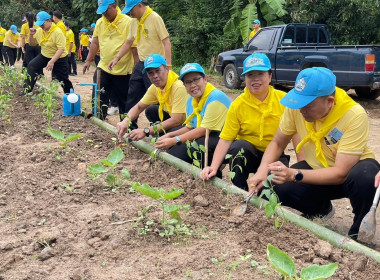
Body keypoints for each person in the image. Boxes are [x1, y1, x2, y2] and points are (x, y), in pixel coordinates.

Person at [248, 67, 380, 240]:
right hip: (315, 168)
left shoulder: (353, 115)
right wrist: (261, 171)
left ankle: (359, 233)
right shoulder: (296, 107)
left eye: (308, 105)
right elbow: (278, 142)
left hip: (349, 173)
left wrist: (293, 174)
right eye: (299, 102)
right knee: (275, 185)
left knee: (366, 177)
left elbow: (340, 173)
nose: (302, 110)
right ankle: (321, 209)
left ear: (330, 102)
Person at [201, 53, 293, 191]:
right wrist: (213, 167)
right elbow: (226, 139)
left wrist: (298, 170)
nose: (255, 79)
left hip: (275, 155)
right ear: (244, 78)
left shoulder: (285, 101)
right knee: (237, 147)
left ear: (270, 76)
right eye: (250, 75)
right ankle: (239, 191)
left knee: (273, 191)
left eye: (260, 74)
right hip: (249, 154)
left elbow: (298, 139)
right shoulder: (238, 104)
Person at [109, 0, 172, 130]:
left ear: (139, 5)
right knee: (132, 93)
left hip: (156, 65)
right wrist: (117, 58)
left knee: (158, 98)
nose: (130, 13)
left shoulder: (154, 18)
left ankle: (161, 129)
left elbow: (166, 41)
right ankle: (129, 127)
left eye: (131, 9)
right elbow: (128, 42)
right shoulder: (134, 21)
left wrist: (168, 66)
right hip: (142, 63)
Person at [155, 63, 231, 169]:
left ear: (205, 79)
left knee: (199, 144)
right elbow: (190, 127)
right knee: (173, 154)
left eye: (196, 80)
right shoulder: (191, 100)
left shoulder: (215, 97)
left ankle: (213, 175)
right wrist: (169, 135)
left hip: (227, 140)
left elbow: (203, 130)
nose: (193, 85)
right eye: (188, 82)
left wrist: (174, 140)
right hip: (208, 136)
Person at [116, 54, 188, 142]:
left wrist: (146, 131)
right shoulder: (155, 87)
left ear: (167, 69)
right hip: (174, 118)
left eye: (158, 71)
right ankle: (162, 135)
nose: (155, 76)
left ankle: (167, 139)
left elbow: (176, 120)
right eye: (151, 73)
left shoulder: (178, 87)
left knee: (172, 141)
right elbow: (138, 107)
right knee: (151, 110)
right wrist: (125, 121)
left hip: (186, 125)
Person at [83, 0, 135, 120]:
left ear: (114, 6)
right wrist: (88, 60)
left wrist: (135, 69)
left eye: (106, 10)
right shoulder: (100, 22)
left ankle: (127, 127)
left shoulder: (128, 22)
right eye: (102, 11)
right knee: (98, 96)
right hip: (104, 66)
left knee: (124, 101)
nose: (104, 14)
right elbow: (95, 42)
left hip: (124, 70)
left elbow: (133, 47)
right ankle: (98, 121)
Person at [21, 11, 73, 96]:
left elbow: (61, 49)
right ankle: (27, 90)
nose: (41, 26)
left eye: (42, 24)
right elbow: (32, 44)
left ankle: (70, 96)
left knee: (62, 79)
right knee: (31, 66)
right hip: (44, 55)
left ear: (49, 21)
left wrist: (52, 61)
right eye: (40, 24)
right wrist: (31, 35)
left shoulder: (57, 32)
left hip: (59, 57)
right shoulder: (39, 31)